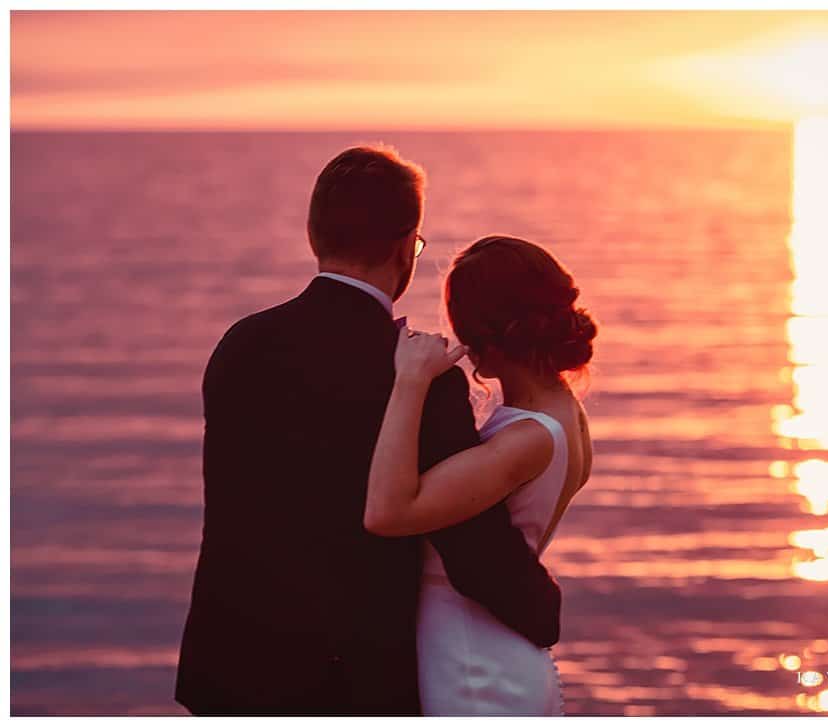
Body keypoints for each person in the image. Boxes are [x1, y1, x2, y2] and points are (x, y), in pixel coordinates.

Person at [174, 147, 562, 716]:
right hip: (349, 682)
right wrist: (542, 608)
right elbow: (474, 550)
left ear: (315, 234)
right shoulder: (422, 376)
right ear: (407, 244)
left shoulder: (241, 344)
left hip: (230, 666)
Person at [364, 235, 596, 715]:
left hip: (474, 664)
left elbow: (388, 511)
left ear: (484, 334)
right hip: (497, 654)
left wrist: (410, 380)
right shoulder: (565, 414)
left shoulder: (528, 438)